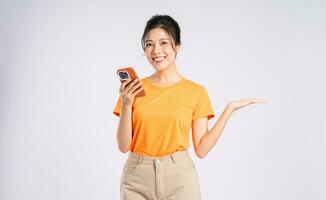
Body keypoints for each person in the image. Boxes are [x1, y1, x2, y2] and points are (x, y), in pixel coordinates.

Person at [113, 14, 266, 200]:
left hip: (179, 178)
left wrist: (229, 109)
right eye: (149, 44)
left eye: (164, 43)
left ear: (177, 46)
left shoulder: (196, 92)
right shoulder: (133, 91)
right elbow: (123, 146)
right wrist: (127, 105)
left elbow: (201, 149)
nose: (156, 50)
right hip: (137, 177)